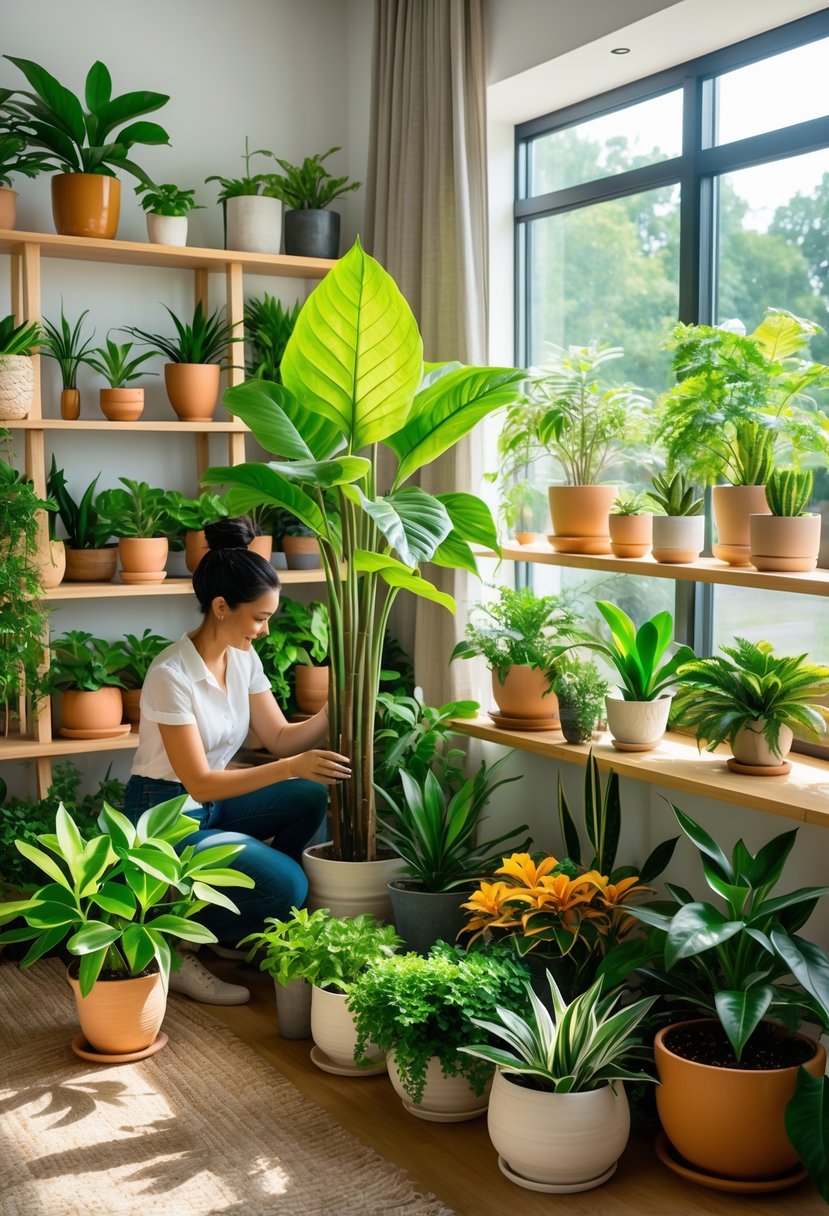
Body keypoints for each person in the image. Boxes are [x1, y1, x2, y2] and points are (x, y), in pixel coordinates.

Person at [123, 516, 350, 1006]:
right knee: (289, 884)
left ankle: (237, 929)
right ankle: (176, 943)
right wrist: (291, 766)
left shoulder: (242, 657)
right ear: (222, 608)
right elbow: (200, 784)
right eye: (259, 618)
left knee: (310, 794)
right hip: (165, 814)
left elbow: (283, 738)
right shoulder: (171, 673)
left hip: (213, 802)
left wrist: (337, 707)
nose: (265, 631)